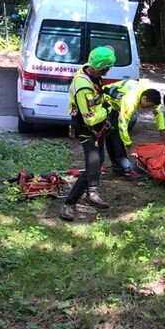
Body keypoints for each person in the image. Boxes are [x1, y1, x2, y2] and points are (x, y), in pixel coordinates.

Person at [60, 46, 116, 222]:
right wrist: (107, 110)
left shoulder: (90, 71)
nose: (109, 71)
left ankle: (92, 192)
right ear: (101, 67)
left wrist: (106, 98)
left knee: (98, 161)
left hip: (98, 128)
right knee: (92, 166)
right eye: (108, 68)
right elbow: (89, 118)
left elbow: (96, 100)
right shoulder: (83, 87)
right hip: (87, 129)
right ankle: (68, 204)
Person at [103, 80, 165, 179]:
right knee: (115, 135)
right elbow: (123, 124)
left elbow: (157, 112)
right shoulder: (130, 101)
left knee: (111, 134)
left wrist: (162, 130)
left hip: (115, 104)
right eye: (149, 105)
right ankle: (125, 170)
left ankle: (118, 167)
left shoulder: (150, 94)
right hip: (105, 102)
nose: (149, 108)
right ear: (144, 98)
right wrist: (129, 145)